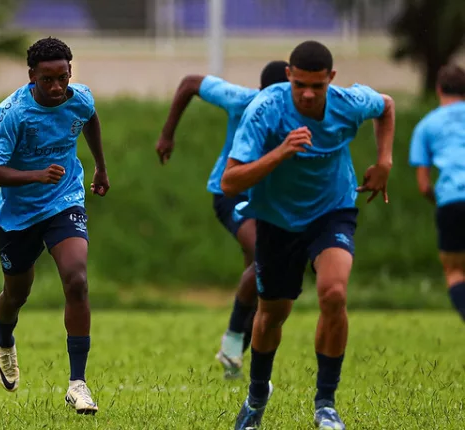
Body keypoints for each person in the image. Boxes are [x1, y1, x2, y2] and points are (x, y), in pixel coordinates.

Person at [221, 41, 395, 429]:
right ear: (288, 76)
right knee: (271, 315)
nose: (309, 94)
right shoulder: (264, 110)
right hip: (277, 221)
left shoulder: (348, 103)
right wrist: (279, 153)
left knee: (334, 293)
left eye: (317, 85)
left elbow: (385, 104)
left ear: (331, 79)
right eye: (300, 84)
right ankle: (257, 394)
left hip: (332, 212)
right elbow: (231, 181)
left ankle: (325, 404)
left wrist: (384, 161)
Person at [0, 37, 110, 415]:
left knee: (77, 278)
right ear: (32, 76)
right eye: (47, 79)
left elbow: (90, 118)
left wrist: (99, 165)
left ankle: (77, 384)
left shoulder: (79, 97)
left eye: (63, 77)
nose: (56, 87)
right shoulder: (11, 113)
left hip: (64, 199)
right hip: (18, 215)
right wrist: (35, 175)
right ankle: (5, 339)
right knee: (16, 294)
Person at [156, 60, 290, 379]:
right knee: (266, 259)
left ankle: (235, 360)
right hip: (233, 193)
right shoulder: (243, 100)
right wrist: (167, 134)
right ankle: (232, 339)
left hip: (272, 201)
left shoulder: (301, 110)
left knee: (262, 280)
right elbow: (190, 81)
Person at [409, 63, 465, 322]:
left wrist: (442, 200)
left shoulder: (426, 126)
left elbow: (423, 185)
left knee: (455, 271)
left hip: (451, 202)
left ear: (438, 89)